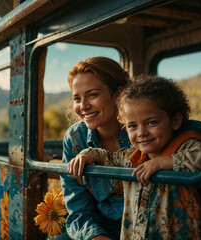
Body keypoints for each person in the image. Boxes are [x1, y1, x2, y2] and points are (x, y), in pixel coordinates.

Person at [67, 75, 201, 239]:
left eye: (151, 123)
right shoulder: (132, 156)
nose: (141, 133)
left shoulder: (187, 147)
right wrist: (87, 154)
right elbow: (108, 157)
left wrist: (169, 162)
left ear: (176, 120)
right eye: (133, 126)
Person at [60, 57, 131, 240]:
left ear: (118, 95)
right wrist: (96, 237)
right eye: (77, 98)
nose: (83, 106)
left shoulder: (143, 131)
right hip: (98, 229)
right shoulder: (75, 139)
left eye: (92, 95)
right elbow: (78, 207)